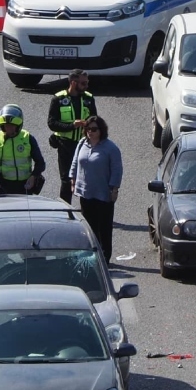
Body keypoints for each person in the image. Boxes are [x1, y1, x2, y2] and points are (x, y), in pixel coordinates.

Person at [70, 115, 122, 263]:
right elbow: (75, 163)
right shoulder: (82, 144)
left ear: (101, 130)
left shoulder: (110, 148)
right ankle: (91, 256)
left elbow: (117, 170)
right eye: (87, 129)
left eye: (93, 129)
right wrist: (73, 180)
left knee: (103, 228)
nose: (90, 132)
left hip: (103, 194)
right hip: (86, 193)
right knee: (88, 227)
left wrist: (114, 189)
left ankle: (105, 258)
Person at [47, 68, 97, 203]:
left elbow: (95, 120)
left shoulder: (89, 98)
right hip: (65, 144)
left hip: (84, 145)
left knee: (85, 178)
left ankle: (86, 210)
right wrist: (72, 126)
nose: (86, 86)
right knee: (66, 180)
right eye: (83, 83)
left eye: (87, 83)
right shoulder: (58, 99)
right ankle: (65, 209)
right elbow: (52, 123)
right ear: (73, 83)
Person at [0, 103, 46, 196]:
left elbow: (40, 163)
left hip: (25, 186)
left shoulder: (28, 138)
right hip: (3, 187)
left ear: (19, 125)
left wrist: (33, 176)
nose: (9, 129)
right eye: (6, 125)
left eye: (12, 126)